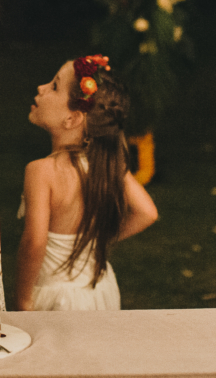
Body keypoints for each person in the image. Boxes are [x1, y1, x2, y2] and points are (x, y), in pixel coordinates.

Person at [15, 56, 158, 311]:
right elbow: (147, 213)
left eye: (54, 86)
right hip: (98, 290)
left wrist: (23, 299)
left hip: (58, 301)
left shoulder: (41, 172)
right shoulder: (107, 165)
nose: (41, 88)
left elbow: (34, 243)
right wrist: (97, 239)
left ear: (72, 119)